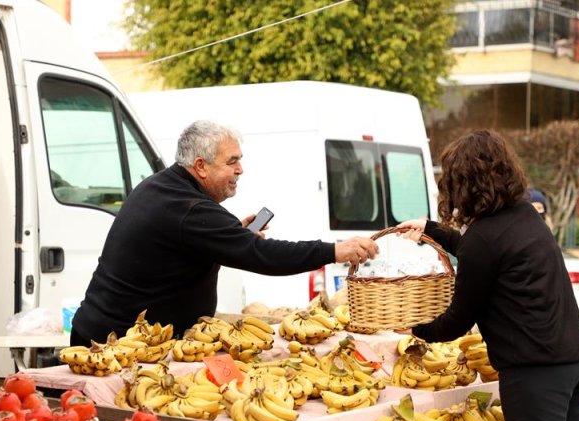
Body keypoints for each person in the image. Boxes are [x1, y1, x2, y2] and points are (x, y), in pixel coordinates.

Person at [398, 130, 579, 421]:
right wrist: (430, 230)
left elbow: (458, 319)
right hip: (578, 359)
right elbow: (483, 255)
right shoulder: (524, 216)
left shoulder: (485, 237)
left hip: (536, 371)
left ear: (464, 185)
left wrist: (415, 329)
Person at [70, 120, 378, 345]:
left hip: (115, 333)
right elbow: (263, 256)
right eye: (232, 162)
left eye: (240, 160)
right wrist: (335, 250)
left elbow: (186, 245)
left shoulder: (164, 187)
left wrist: (231, 236)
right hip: (112, 345)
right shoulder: (189, 207)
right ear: (201, 166)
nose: (240, 169)